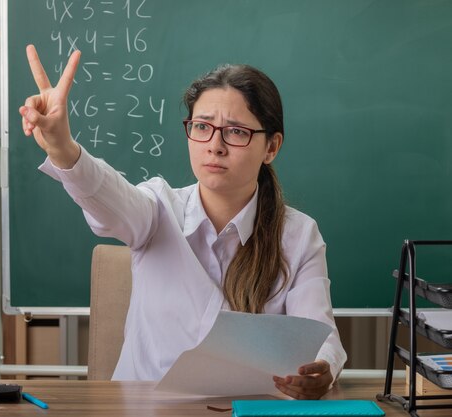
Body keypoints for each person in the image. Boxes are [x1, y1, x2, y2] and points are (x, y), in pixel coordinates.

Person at [19, 44, 347, 400]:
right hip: (146, 408)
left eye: (236, 131)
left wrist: (321, 369)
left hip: (249, 409)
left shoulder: (297, 234)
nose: (215, 145)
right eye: (202, 126)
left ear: (271, 147)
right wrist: (62, 147)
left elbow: (319, 334)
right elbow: (107, 194)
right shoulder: (158, 208)